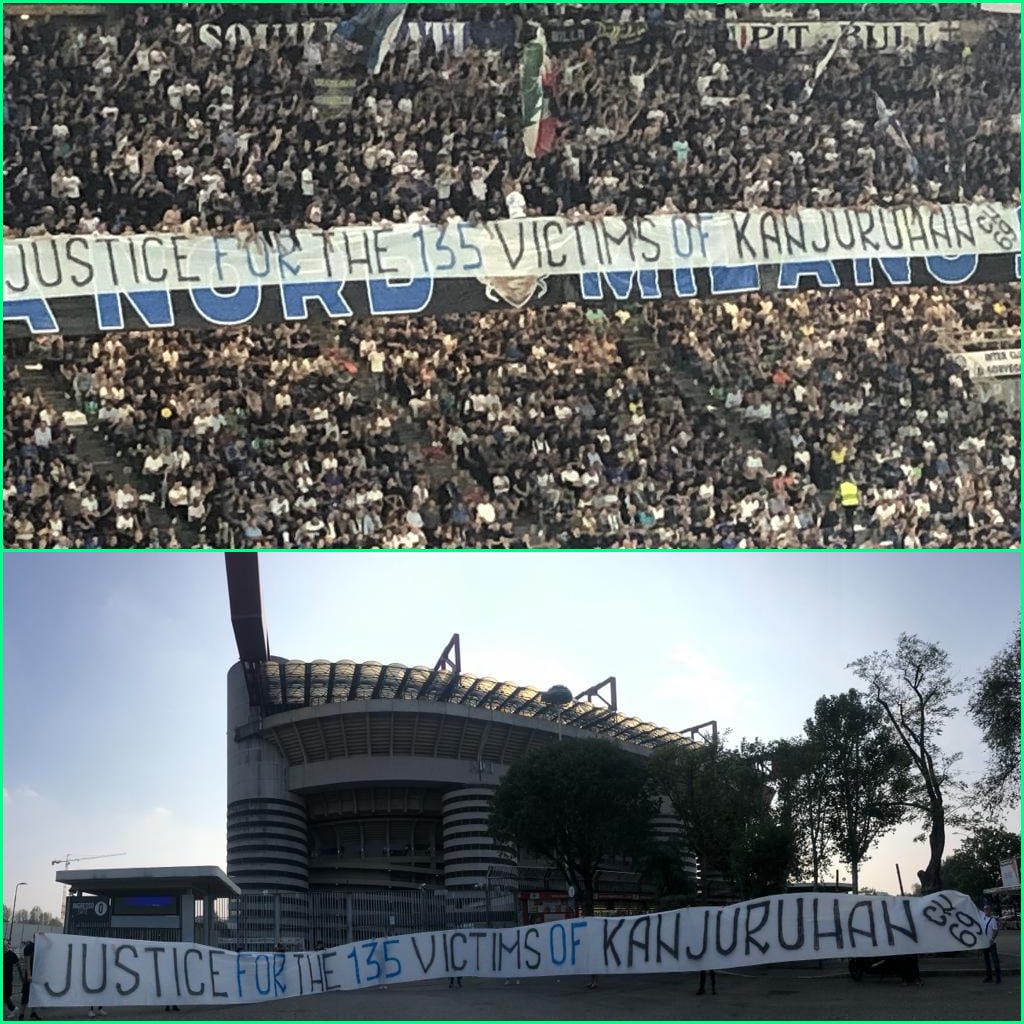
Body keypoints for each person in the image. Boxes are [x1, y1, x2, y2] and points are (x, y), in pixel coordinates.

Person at [981, 901, 1001, 983]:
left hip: (991, 944)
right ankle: (989, 976)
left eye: (987, 909)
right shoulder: (983, 918)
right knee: (987, 961)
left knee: (995, 960)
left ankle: (998, 978)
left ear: (990, 910)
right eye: (984, 909)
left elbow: (995, 931)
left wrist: (992, 939)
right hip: (985, 944)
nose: (985, 911)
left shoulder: (993, 920)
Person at [17, 942, 38, 1020]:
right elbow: (27, 963)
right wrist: (29, 975)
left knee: (36, 994)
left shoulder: (40, 946)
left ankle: (33, 1013)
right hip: (30, 975)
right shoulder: (29, 947)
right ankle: (21, 1014)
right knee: (26, 994)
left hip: (38, 974)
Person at [3, 940, 22, 1017]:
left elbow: (18, 965)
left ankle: (13, 1009)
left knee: (5, 996)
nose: (3, 948)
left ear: (8, 946)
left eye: (4, 946)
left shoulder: (12, 955)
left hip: (7, 979)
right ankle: (13, 1008)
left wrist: (21, 976)